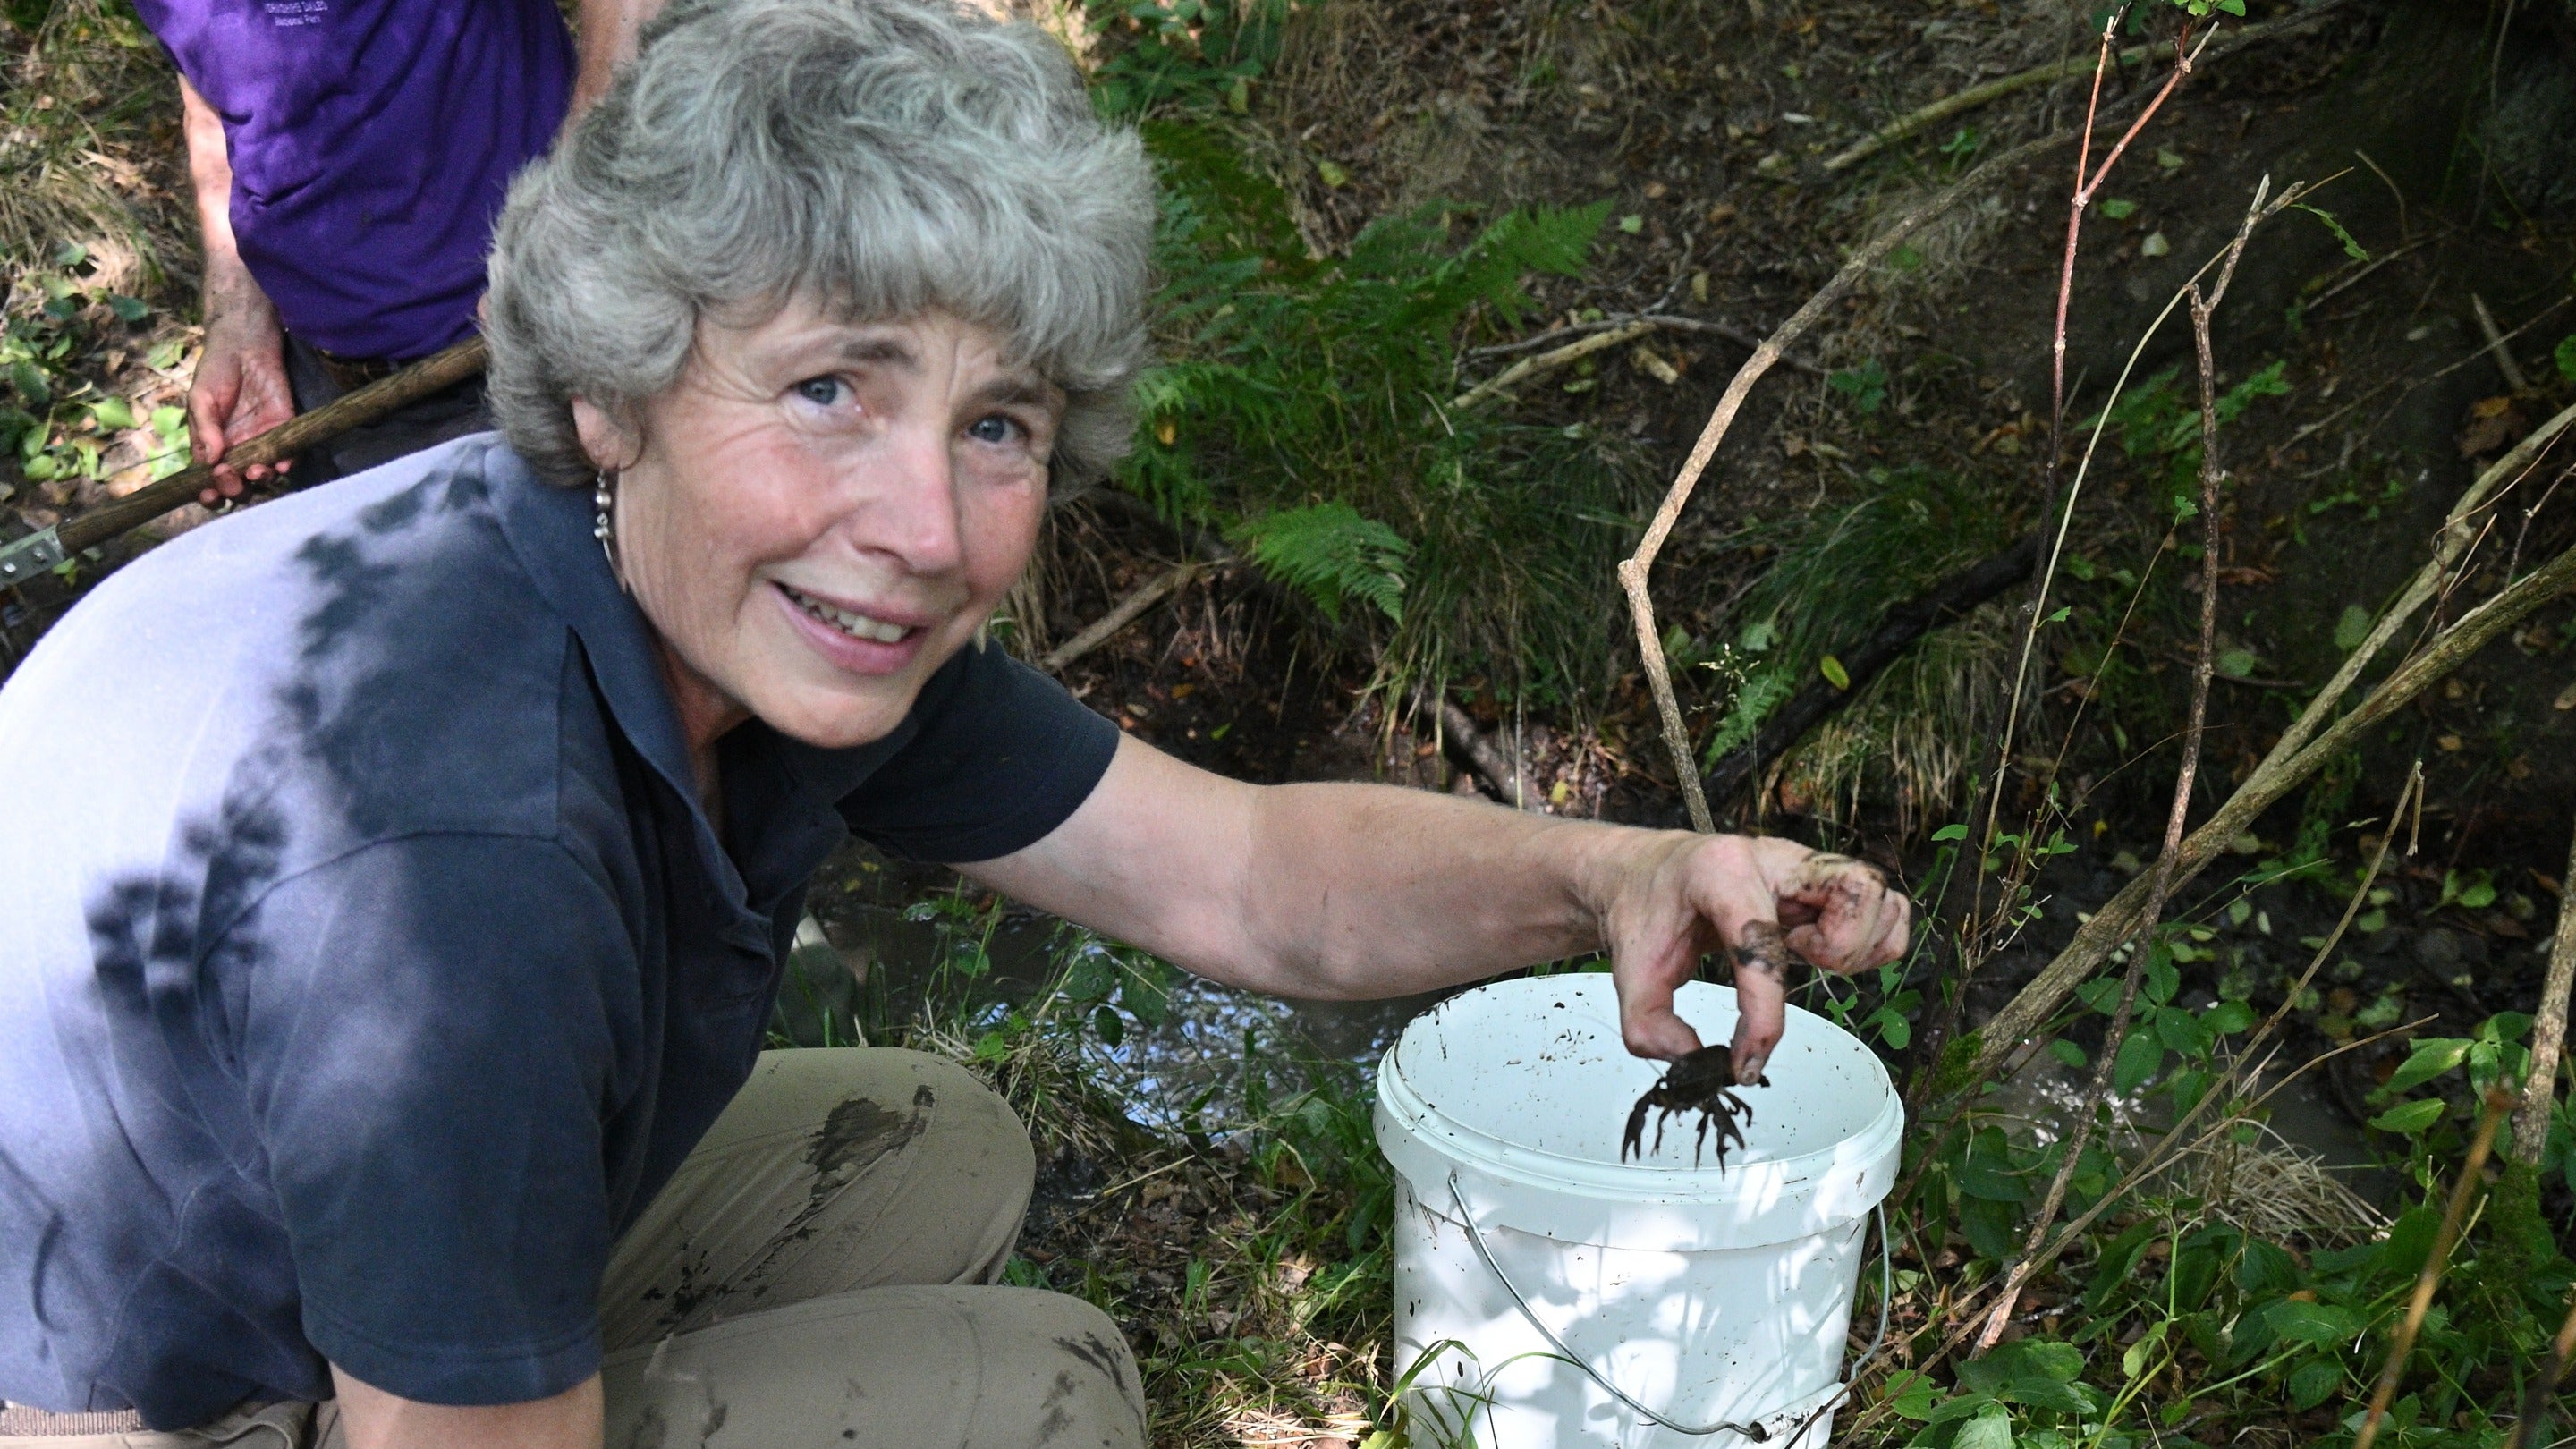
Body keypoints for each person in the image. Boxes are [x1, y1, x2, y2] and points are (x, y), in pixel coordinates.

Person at [0, 0, 1912, 1445]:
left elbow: (1247, 881)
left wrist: (1618, 871)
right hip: (126, 1405)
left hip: (257, 1236)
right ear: (614, 386)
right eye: (832, 385)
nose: (926, 530)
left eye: (994, 421)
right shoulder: (460, 868)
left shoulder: (692, 591)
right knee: (1042, 1387)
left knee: (937, 1141)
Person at [153, 0, 655, 495]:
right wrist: (239, 322)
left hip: (521, 360)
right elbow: (213, 103)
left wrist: (579, 216)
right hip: (319, 388)